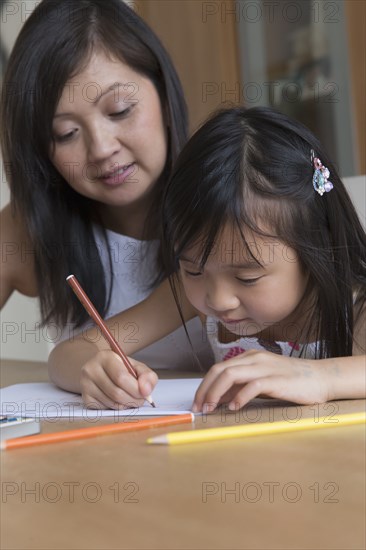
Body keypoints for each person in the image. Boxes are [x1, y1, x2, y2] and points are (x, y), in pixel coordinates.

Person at [48, 105, 366, 411]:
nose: (219, 299)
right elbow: (67, 354)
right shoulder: (192, 300)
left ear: (316, 250)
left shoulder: (354, 305)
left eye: (247, 278)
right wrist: (97, 371)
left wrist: (320, 378)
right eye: (192, 270)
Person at [0, 0, 212, 370]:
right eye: (65, 133)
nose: (101, 149)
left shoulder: (231, 203)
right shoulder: (27, 229)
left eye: (119, 111)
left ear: (163, 94)